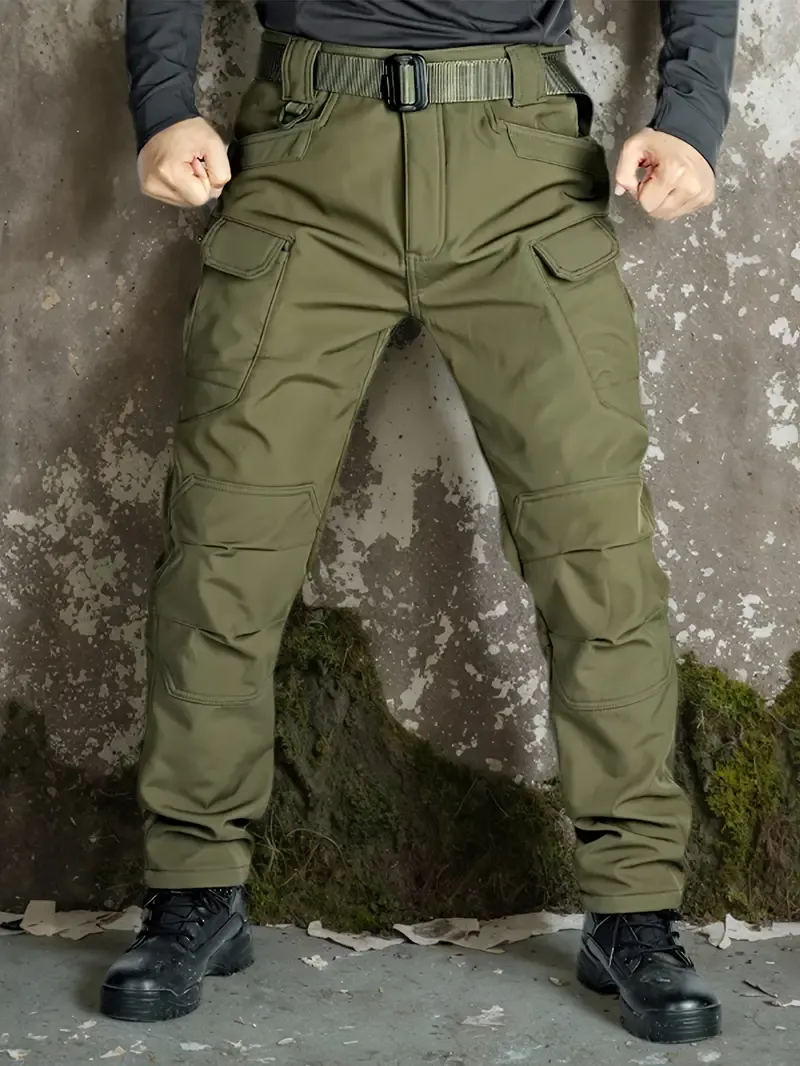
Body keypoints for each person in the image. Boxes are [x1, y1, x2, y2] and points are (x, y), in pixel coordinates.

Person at [102, 0, 738, 1044]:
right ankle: (194, 888)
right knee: (223, 550)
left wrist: (692, 117)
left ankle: (633, 908)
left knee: (596, 555)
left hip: (519, 168)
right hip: (308, 158)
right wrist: (164, 104)